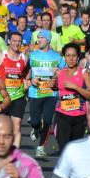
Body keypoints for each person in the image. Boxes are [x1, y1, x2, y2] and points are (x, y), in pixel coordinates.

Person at [28, 29, 65, 157]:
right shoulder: (32, 56)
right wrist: (30, 79)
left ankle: (41, 147)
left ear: (48, 40)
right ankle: (36, 128)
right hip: (35, 93)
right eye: (38, 38)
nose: (39, 40)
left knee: (48, 120)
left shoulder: (57, 57)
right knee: (35, 121)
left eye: (42, 38)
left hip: (51, 93)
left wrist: (56, 79)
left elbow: (65, 73)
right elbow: (25, 73)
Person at [54, 43, 90, 152]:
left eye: (73, 55)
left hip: (79, 117)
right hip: (62, 115)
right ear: (64, 57)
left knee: (76, 151)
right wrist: (52, 85)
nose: (71, 59)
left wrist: (76, 87)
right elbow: (57, 88)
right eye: (68, 56)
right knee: (64, 150)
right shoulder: (60, 73)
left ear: (78, 57)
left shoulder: (84, 73)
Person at [0, 31, 28, 148]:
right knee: (1, 126)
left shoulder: (24, 58)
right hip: (2, 97)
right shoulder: (0, 55)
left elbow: (27, 72)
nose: (16, 44)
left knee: (17, 125)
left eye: (19, 41)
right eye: (14, 41)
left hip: (18, 96)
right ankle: (1, 149)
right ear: (9, 41)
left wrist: (26, 81)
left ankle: (15, 154)